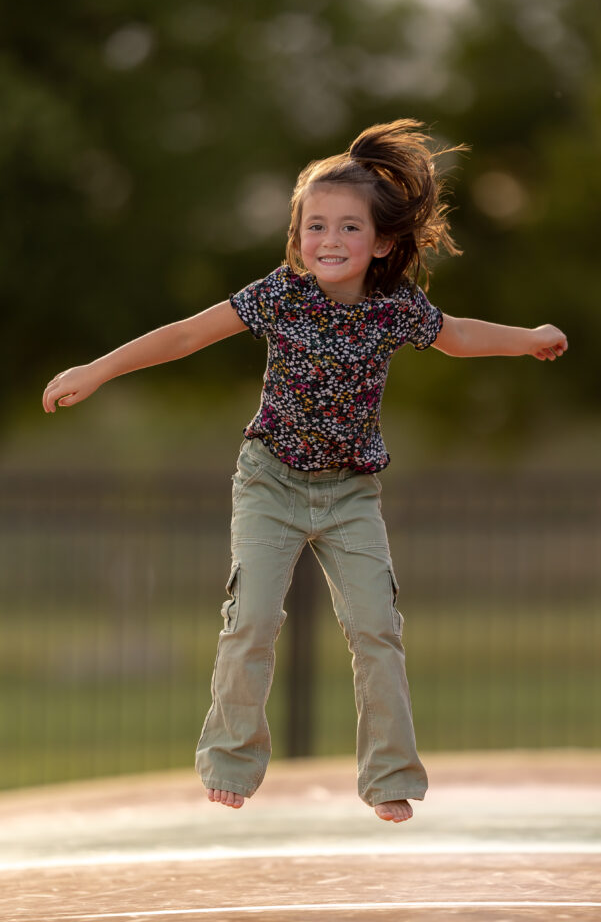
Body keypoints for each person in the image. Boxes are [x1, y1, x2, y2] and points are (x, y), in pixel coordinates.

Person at [42, 119, 568, 824]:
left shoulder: (394, 310)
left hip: (350, 494)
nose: (327, 240)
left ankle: (388, 776)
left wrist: (528, 339)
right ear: (296, 237)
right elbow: (188, 333)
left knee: (376, 627)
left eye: (348, 228)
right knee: (252, 618)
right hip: (271, 483)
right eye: (314, 225)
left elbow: (460, 337)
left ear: (381, 242)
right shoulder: (277, 296)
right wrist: (97, 370)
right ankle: (230, 761)